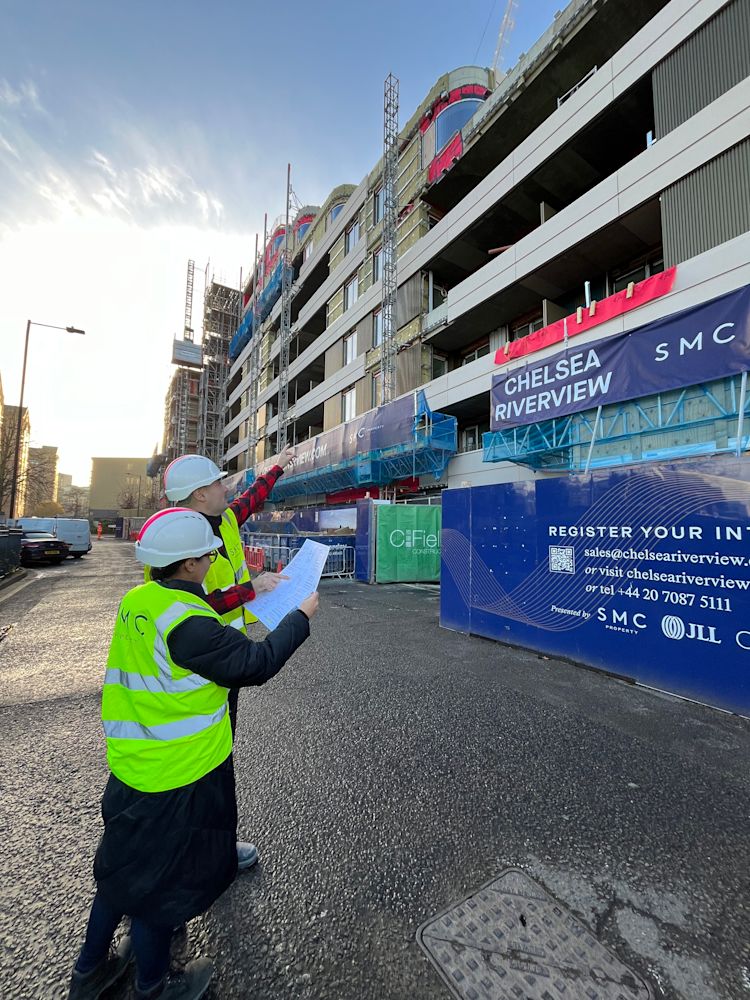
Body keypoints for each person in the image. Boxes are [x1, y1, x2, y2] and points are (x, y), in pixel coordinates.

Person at [67, 507, 318, 1000]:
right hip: (177, 776)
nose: (213, 558)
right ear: (187, 564)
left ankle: (89, 970)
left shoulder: (141, 599)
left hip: (132, 765)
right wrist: (300, 616)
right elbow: (256, 662)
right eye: (208, 553)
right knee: (157, 895)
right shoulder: (189, 623)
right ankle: (155, 987)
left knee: (120, 874)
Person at [160, 448, 295, 871]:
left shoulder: (224, 519)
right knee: (203, 762)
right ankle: (196, 856)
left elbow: (250, 498)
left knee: (218, 755)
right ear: (200, 495)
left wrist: (278, 466)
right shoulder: (182, 541)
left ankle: (204, 848)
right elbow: (194, 607)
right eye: (219, 483)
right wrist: (253, 589)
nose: (227, 487)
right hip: (202, 662)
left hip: (222, 650)